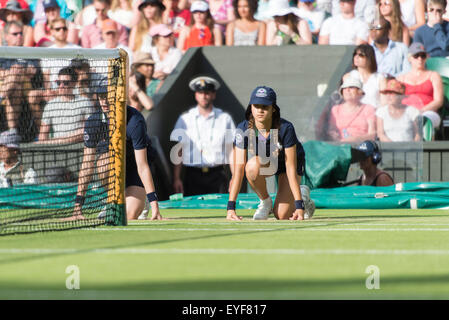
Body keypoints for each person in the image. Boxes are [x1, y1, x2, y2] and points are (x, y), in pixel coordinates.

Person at [71, 78, 164, 221]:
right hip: (112, 166)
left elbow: (142, 166)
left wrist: (155, 206)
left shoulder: (135, 121)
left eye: (109, 96)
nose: (105, 101)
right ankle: (112, 200)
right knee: (103, 164)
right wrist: (77, 207)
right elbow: (87, 165)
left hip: (134, 168)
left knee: (129, 216)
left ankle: (141, 200)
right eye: (101, 96)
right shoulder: (93, 122)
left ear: (119, 97)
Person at [226, 85, 315, 221]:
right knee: (251, 167)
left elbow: (290, 168)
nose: (260, 110)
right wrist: (230, 208)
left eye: (265, 107)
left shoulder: (286, 128)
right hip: (268, 162)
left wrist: (299, 206)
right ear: (251, 107)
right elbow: (238, 170)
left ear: (273, 109)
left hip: (288, 165)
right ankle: (266, 202)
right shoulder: (242, 129)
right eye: (256, 106)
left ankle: (303, 196)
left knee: (282, 215)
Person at [170, 75, 235, 196]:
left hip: (217, 175)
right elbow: (178, 150)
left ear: (213, 95)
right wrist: (176, 178)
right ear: (195, 95)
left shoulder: (224, 118)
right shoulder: (185, 119)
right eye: (200, 93)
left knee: (221, 211)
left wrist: (234, 177)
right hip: (192, 175)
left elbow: (231, 151)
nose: (204, 96)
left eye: (207, 93)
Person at [397, 42, 444, 138]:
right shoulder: (401, 78)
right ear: (409, 58)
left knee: (421, 119)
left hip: (428, 112)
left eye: (423, 56)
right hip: (407, 112)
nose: (420, 59)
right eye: (416, 55)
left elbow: (439, 101)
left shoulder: (433, 75)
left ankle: (425, 150)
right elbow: (396, 99)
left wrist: (421, 110)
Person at [38, 67, 95, 144]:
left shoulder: (85, 102)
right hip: (57, 149)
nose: (61, 86)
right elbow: (42, 137)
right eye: (58, 82)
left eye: (65, 83)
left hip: (79, 148)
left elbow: (88, 130)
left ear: (74, 83)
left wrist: (60, 141)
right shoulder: (50, 105)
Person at [327, 77, 376, 142]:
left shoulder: (368, 108)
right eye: (344, 88)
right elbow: (331, 130)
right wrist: (334, 136)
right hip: (341, 146)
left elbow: (372, 134)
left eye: (351, 87)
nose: (347, 90)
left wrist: (355, 139)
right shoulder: (336, 109)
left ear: (360, 91)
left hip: (362, 147)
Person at [343, 44, 385, 108]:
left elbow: (384, 102)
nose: (356, 57)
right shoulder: (348, 77)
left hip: (374, 113)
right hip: (356, 114)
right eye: (355, 54)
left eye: (361, 55)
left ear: (369, 58)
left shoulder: (380, 78)